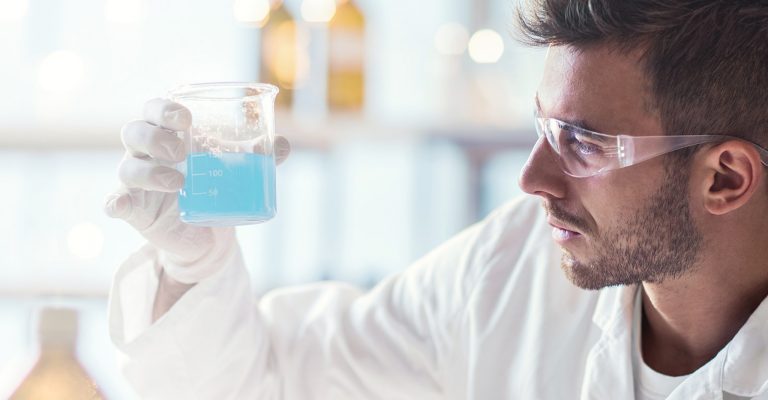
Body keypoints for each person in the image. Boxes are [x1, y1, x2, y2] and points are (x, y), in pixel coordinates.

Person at [104, 0, 768, 398]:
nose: (532, 178)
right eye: (543, 129)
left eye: (584, 144)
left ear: (725, 178)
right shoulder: (510, 269)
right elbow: (275, 383)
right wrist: (195, 267)